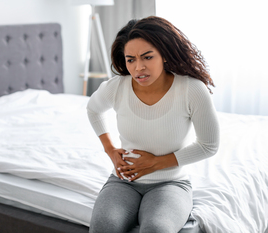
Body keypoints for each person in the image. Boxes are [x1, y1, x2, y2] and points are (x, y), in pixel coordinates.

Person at [86, 16, 220, 233]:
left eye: (147, 57)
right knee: (103, 228)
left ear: (164, 55)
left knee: (156, 229)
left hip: (171, 183)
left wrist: (155, 163)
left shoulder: (192, 89)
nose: (139, 67)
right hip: (122, 181)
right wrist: (110, 150)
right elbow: (93, 109)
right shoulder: (117, 87)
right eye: (131, 60)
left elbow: (209, 145)